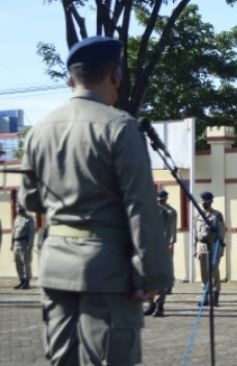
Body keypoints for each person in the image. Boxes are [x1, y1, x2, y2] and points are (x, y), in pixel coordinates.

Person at [19, 36, 172, 365]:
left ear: (71, 78)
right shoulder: (120, 127)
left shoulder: (39, 131)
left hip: (55, 266)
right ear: (115, 75)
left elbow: (30, 199)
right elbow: (141, 207)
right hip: (108, 270)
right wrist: (153, 276)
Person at [144, 190, 177, 317]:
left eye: (162, 200)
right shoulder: (148, 211)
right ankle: (151, 304)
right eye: (158, 200)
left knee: (161, 277)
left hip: (161, 248)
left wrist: (169, 244)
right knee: (149, 278)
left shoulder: (167, 212)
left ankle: (160, 305)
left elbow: (169, 231)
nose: (160, 202)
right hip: (149, 248)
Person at [194, 191, 226, 307]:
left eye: (207, 201)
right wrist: (195, 247)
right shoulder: (198, 215)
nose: (204, 203)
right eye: (202, 201)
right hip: (201, 246)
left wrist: (221, 248)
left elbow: (222, 232)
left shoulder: (217, 215)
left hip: (213, 245)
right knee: (203, 272)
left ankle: (215, 295)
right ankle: (205, 296)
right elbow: (195, 233)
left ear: (211, 201)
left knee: (213, 271)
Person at [11, 205, 36, 290]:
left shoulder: (29, 219)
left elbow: (31, 233)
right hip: (16, 244)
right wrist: (12, 244)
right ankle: (21, 280)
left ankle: (27, 282)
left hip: (24, 244)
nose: (19, 211)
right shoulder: (17, 219)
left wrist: (30, 245)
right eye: (18, 209)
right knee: (18, 264)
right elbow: (13, 232)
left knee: (26, 264)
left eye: (20, 210)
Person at [158, 190, 177, 295]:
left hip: (167, 241)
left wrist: (171, 242)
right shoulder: (154, 209)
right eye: (160, 199)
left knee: (168, 264)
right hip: (156, 242)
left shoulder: (171, 211)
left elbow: (173, 228)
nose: (162, 201)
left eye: (164, 199)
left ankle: (169, 285)